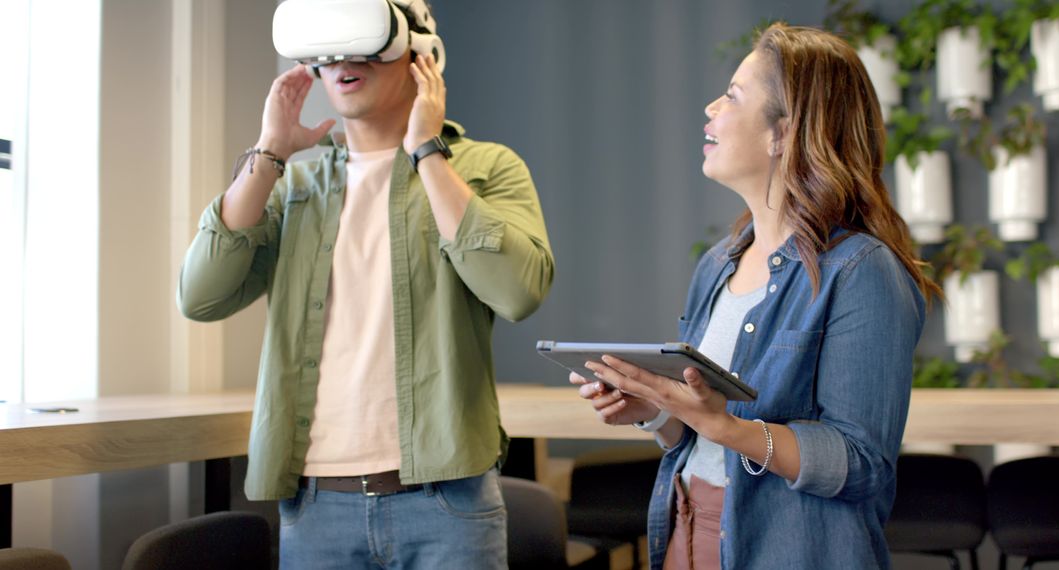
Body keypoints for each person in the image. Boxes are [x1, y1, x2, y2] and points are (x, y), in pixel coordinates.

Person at [177, 2, 554, 567]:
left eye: (366, 44)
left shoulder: (486, 167)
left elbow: (518, 292)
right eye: (330, 50)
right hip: (316, 506)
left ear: (421, 56)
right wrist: (270, 152)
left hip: (447, 502)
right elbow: (200, 296)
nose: (344, 62)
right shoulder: (294, 186)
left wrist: (428, 152)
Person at [570, 23, 940, 569]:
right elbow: (700, 436)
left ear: (783, 134)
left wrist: (727, 425)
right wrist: (656, 411)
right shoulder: (718, 263)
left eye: (733, 96)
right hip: (685, 527)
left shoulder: (863, 272)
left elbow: (861, 464)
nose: (710, 107)